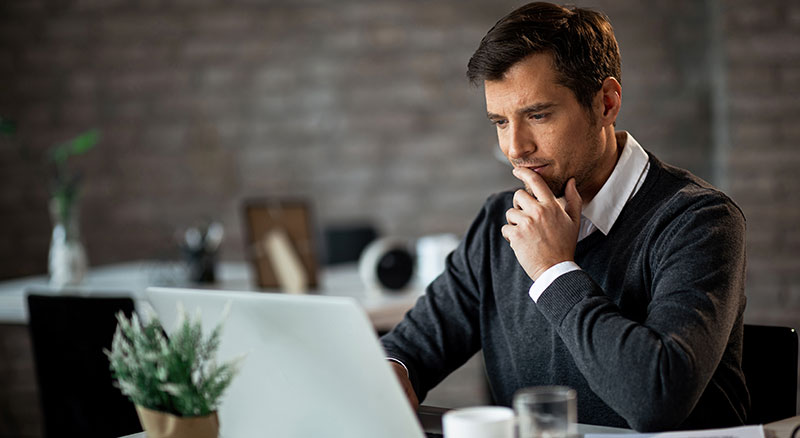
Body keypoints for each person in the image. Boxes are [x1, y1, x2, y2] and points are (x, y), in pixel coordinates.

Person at [380, 2, 749, 432]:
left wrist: (553, 270)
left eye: (538, 115)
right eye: (500, 121)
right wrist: (393, 369)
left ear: (607, 103)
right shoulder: (498, 222)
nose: (515, 147)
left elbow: (655, 399)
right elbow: (410, 346)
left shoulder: (699, 220)